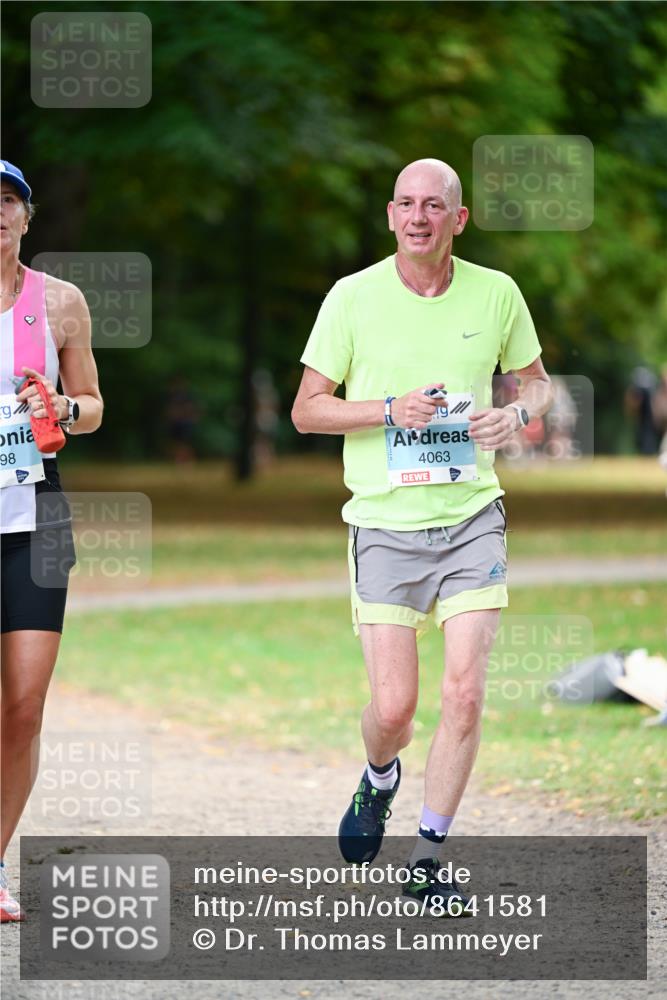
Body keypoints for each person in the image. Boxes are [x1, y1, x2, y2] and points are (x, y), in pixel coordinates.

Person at [292, 158, 552, 911]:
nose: (418, 217)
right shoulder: (351, 298)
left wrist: (516, 414)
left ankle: (428, 858)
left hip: (471, 514)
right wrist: (384, 410)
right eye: (405, 204)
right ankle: (378, 777)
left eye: (433, 206)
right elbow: (308, 409)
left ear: (457, 219)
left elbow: (533, 382)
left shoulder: (496, 292)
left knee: (465, 693)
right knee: (396, 711)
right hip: (382, 524)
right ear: (388, 215)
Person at [0, 161, 103, 921]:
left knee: (25, 704)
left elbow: (94, 405)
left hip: (35, 511)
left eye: (7, 203)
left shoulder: (60, 303)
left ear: (27, 219)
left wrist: (63, 406)